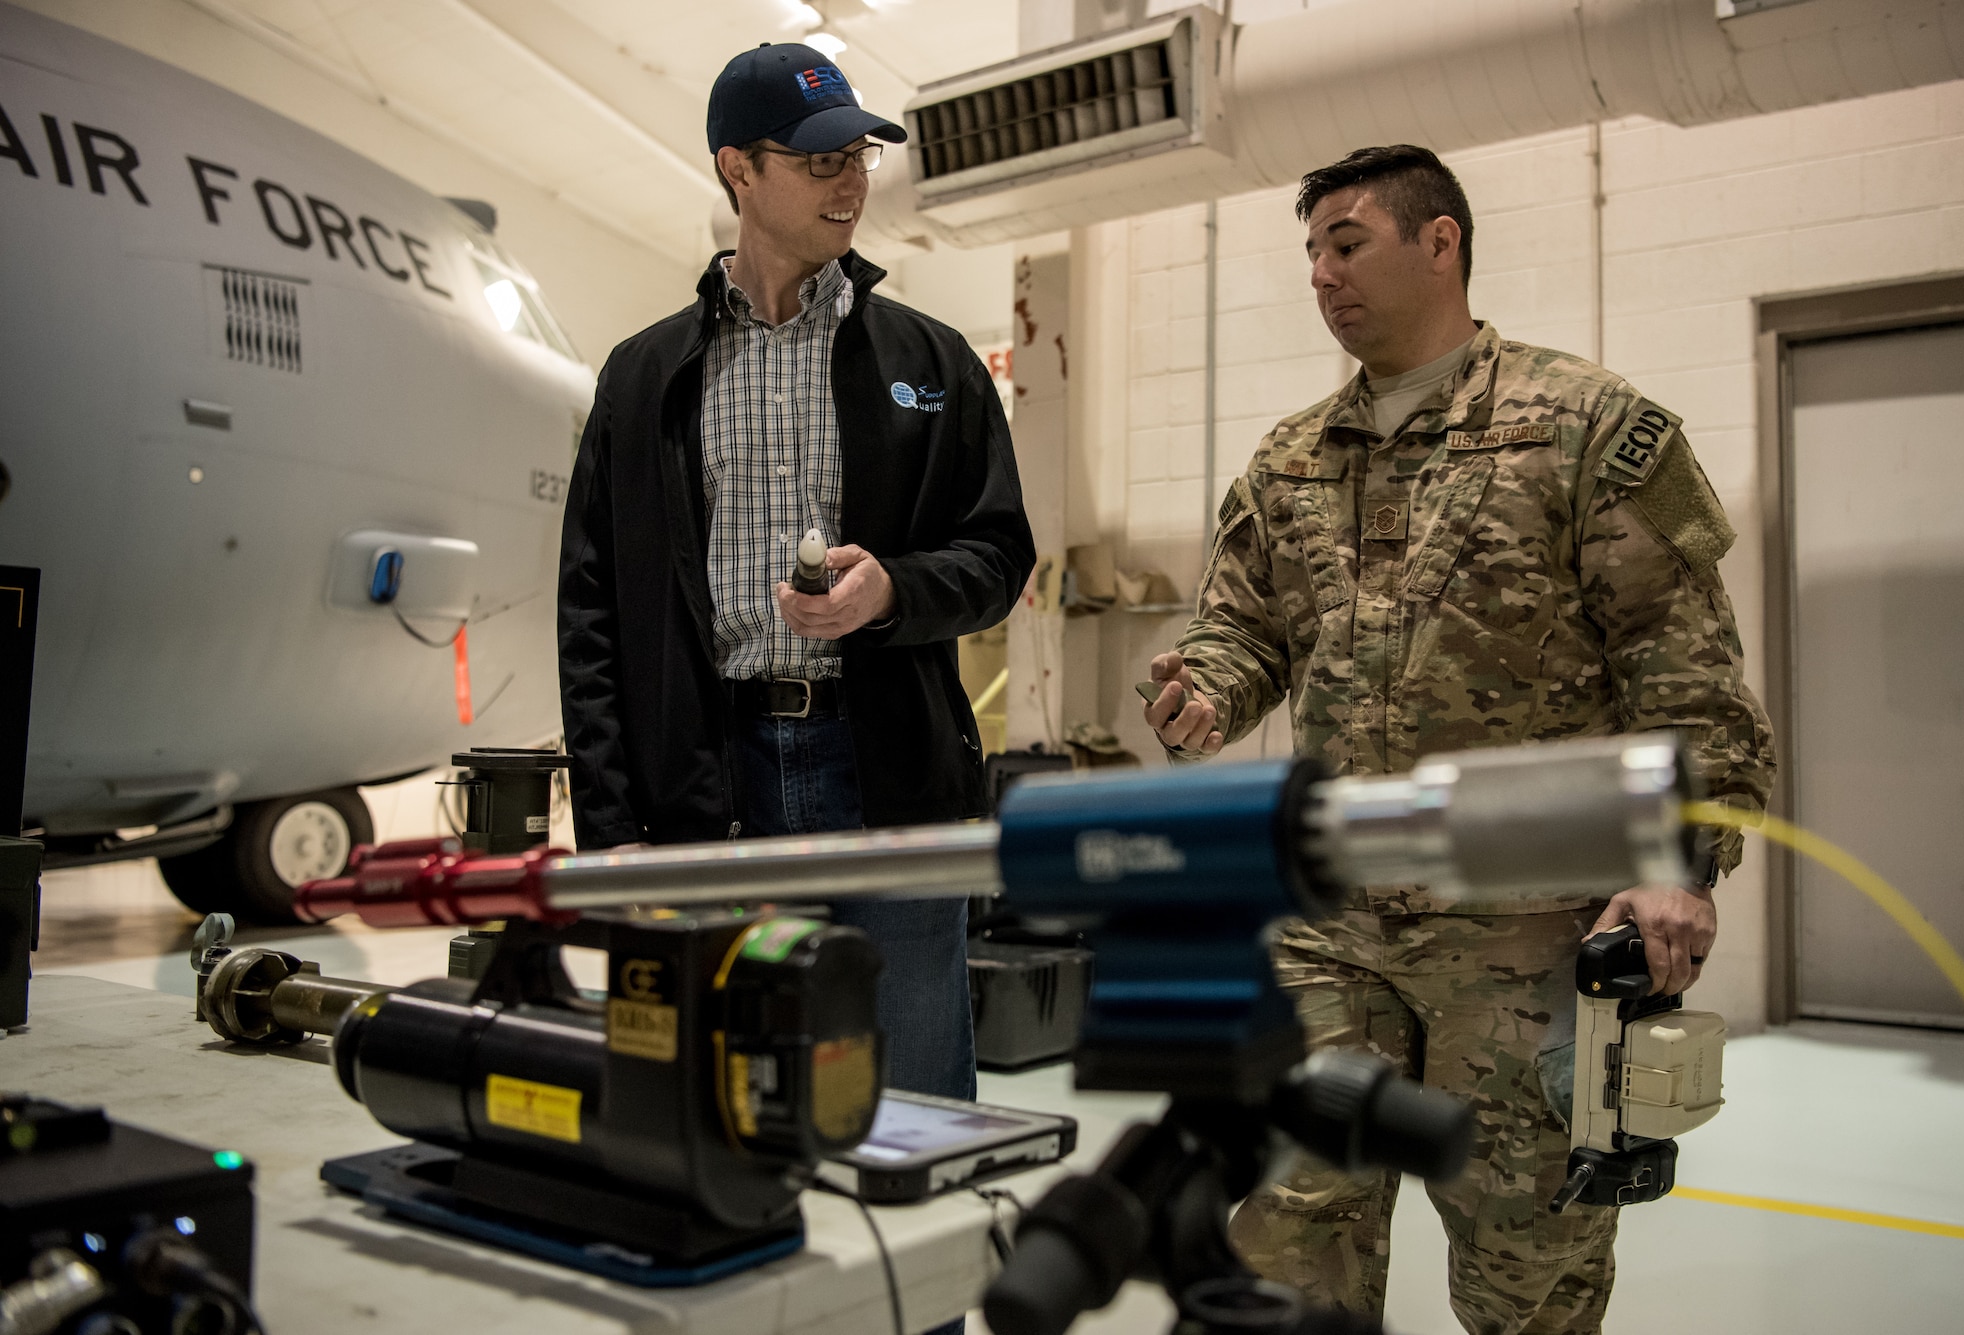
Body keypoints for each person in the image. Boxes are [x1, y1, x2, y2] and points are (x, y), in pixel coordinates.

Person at [1142, 145, 1776, 1333]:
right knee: (1284, 1233)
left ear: (1440, 243)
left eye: (1348, 242)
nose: (1323, 275)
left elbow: (1681, 666)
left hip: (1532, 932)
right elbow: (1244, 633)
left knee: (1524, 1266)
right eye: (1312, 254)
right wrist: (1204, 691)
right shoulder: (1287, 460)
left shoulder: (1587, 426)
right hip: (1334, 928)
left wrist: (1673, 862)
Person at [558, 42, 1034, 1107]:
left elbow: (998, 556)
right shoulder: (643, 380)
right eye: (818, 159)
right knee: (725, 1097)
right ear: (738, 169)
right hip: (708, 776)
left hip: (888, 777)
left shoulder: (929, 362)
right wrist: (611, 825)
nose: (851, 179)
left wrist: (891, 594)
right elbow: (591, 613)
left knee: (912, 1094)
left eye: (858, 153)